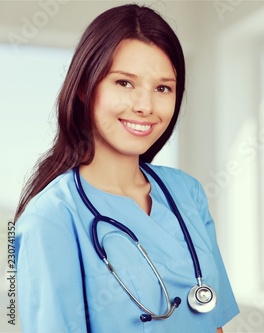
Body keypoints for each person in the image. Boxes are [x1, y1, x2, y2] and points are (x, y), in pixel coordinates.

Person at [14, 4, 239, 332]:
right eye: (124, 83)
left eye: (162, 88)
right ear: (83, 88)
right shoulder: (52, 217)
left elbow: (212, 321)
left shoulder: (187, 193)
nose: (145, 106)